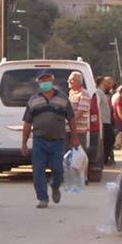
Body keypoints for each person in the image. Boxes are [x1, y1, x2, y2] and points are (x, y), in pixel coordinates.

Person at [21, 71, 80, 208]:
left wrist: (75, 137)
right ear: (38, 82)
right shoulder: (33, 100)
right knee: (38, 170)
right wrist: (24, 143)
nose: (44, 82)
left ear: (52, 80)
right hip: (39, 140)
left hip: (57, 141)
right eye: (42, 80)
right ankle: (42, 198)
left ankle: (55, 185)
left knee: (58, 169)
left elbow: (71, 119)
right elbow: (27, 123)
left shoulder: (63, 98)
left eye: (47, 79)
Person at [66, 71, 92, 151]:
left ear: (79, 82)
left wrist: (67, 122)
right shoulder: (71, 93)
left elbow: (79, 113)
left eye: (72, 80)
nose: (69, 81)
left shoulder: (84, 94)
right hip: (67, 130)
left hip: (78, 131)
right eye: (69, 79)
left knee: (77, 157)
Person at [97, 75, 115, 165]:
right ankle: (103, 160)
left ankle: (105, 159)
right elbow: (96, 106)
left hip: (106, 121)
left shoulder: (103, 93)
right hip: (102, 122)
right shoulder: (98, 93)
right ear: (103, 83)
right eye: (108, 83)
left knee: (109, 140)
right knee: (108, 140)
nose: (110, 85)